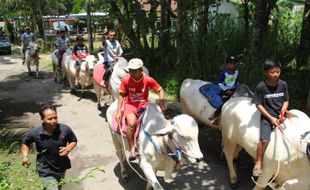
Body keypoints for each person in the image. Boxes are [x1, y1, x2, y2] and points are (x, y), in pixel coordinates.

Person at [115, 58, 165, 160]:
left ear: (141, 70)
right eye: (130, 70)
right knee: (132, 123)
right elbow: (121, 95)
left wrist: (161, 104)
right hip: (130, 105)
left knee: (157, 122)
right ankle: (132, 147)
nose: (131, 73)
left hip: (145, 105)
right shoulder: (126, 80)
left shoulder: (148, 80)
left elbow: (160, 90)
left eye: (134, 71)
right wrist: (119, 111)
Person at [21, 104, 77, 190]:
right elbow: (25, 142)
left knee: (58, 187)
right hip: (45, 170)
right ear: (42, 119)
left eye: (55, 117)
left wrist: (68, 148)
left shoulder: (65, 129)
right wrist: (25, 156)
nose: (54, 121)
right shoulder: (35, 133)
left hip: (61, 167)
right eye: (50, 119)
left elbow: (73, 140)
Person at [252, 58, 289, 177]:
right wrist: (271, 118)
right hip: (267, 116)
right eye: (272, 72)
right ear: (266, 72)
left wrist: (282, 112)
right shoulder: (261, 87)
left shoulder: (283, 84)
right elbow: (258, 104)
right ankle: (258, 162)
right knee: (264, 139)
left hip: (281, 114)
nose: (275, 74)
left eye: (278, 71)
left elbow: (286, 100)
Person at [208, 55, 239, 124]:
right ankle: (215, 116)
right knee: (226, 102)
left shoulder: (237, 72)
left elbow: (237, 82)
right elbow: (220, 83)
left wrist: (237, 86)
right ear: (227, 64)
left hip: (233, 91)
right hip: (224, 91)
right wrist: (226, 90)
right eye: (230, 63)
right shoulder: (224, 72)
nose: (231, 65)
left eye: (233, 63)